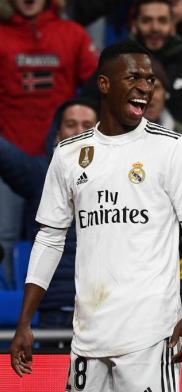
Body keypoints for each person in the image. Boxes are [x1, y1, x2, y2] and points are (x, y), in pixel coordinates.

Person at [10, 41, 182, 392]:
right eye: (133, 77)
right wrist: (24, 321)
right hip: (88, 336)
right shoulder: (69, 154)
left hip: (151, 335)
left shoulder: (173, 147)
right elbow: (49, 238)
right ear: (104, 84)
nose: (144, 87)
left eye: (150, 80)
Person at [0, 0, 97, 287]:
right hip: (9, 157)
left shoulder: (72, 33)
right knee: (3, 236)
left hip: (60, 160)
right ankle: (8, 313)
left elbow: (100, 85)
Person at [0, 97, 98, 329]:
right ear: (57, 133)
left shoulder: (119, 177)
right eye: (71, 124)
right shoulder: (40, 174)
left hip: (105, 308)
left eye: (87, 126)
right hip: (55, 310)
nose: (79, 131)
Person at [130, 0, 182, 133]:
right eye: (146, 21)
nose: (154, 28)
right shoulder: (117, 64)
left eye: (162, 21)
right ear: (134, 25)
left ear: (173, 26)